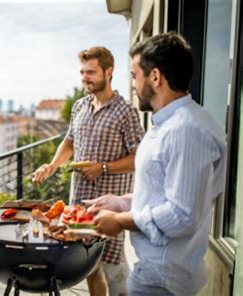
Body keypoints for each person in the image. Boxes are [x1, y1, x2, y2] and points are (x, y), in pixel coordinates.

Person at [85, 32, 226, 295]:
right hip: (154, 273)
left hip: (163, 280)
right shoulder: (170, 123)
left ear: (155, 77)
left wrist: (119, 219)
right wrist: (121, 201)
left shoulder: (186, 130)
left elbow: (182, 215)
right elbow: (162, 191)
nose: (133, 86)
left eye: (134, 76)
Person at [32, 47, 144, 296]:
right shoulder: (80, 106)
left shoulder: (126, 112)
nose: (84, 77)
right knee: (89, 268)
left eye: (91, 72)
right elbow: (69, 142)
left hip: (108, 208)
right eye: (82, 72)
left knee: (114, 271)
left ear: (109, 72)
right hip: (79, 205)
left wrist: (103, 168)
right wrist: (51, 166)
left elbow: (139, 158)